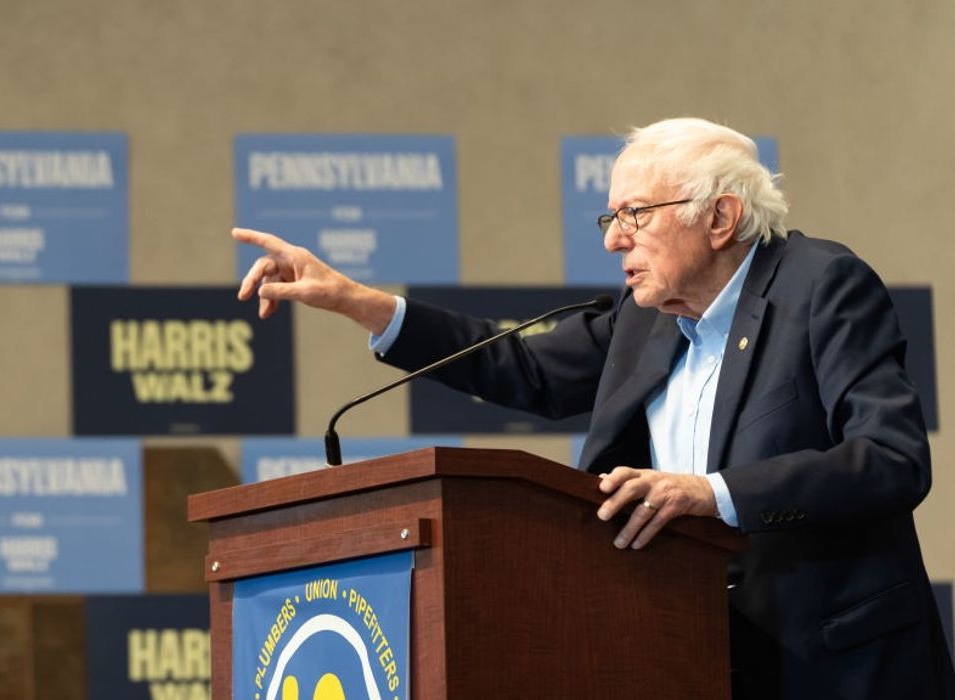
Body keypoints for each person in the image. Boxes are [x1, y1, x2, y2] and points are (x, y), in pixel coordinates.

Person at [234, 117, 955, 698]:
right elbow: (521, 367)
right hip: (683, 654)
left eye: (634, 213)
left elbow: (890, 459)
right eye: (610, 216)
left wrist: (712, 494)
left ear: (719, 216)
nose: (613, 238)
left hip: (830, 665)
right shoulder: (643, 316)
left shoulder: (821, 286)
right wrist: (354, 301)